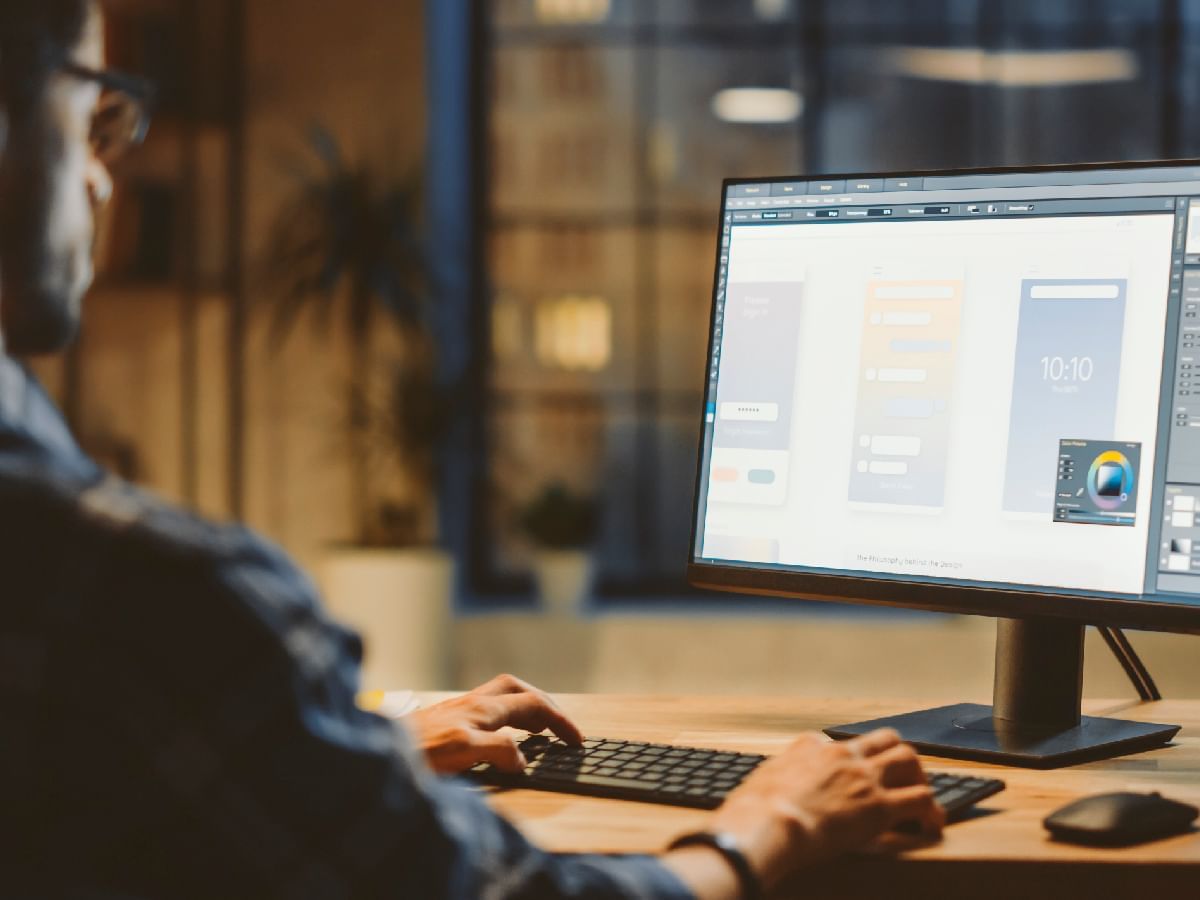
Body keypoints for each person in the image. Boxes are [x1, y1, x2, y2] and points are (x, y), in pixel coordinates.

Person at [0, 1, 943, 897]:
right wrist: (770, 822)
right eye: (93, 114)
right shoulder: (150, 596)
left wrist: (353, 751)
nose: (99, 175)